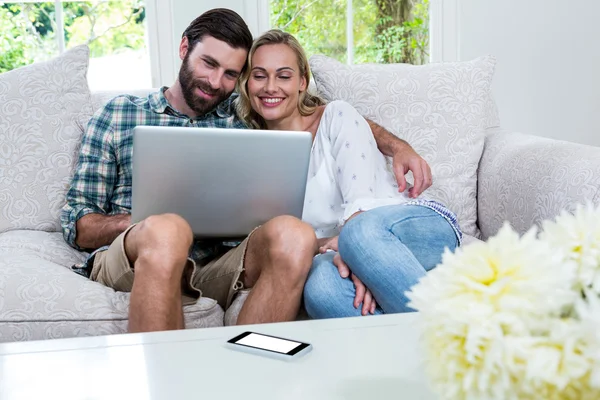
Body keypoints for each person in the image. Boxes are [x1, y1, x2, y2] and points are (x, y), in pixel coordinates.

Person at [61, 9, 433, 333]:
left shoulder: (241, 121)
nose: (214, 82)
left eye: (230, 74)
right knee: (168, 228)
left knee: (294, 234)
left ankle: (247, 381)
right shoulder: (119, 114)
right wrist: (138, 222)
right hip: (137, 255)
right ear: (183, 49)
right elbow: (77, 224)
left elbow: (319, 116)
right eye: (209, 64)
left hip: (218, 263)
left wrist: (395, 145)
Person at [236, 30, 462, 319]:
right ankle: (408, 356)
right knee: (320, 288)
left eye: (283, 76)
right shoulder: (253, 157)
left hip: (409, 227)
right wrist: (353, 257)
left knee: (358, 234)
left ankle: (452, 345)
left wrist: (356, 254)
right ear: (246, 83)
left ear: (302, 82)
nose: (270, 87)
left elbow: (361, 211)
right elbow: (290, 243)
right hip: (336, 252)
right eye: (259, 75)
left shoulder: (336, 116)